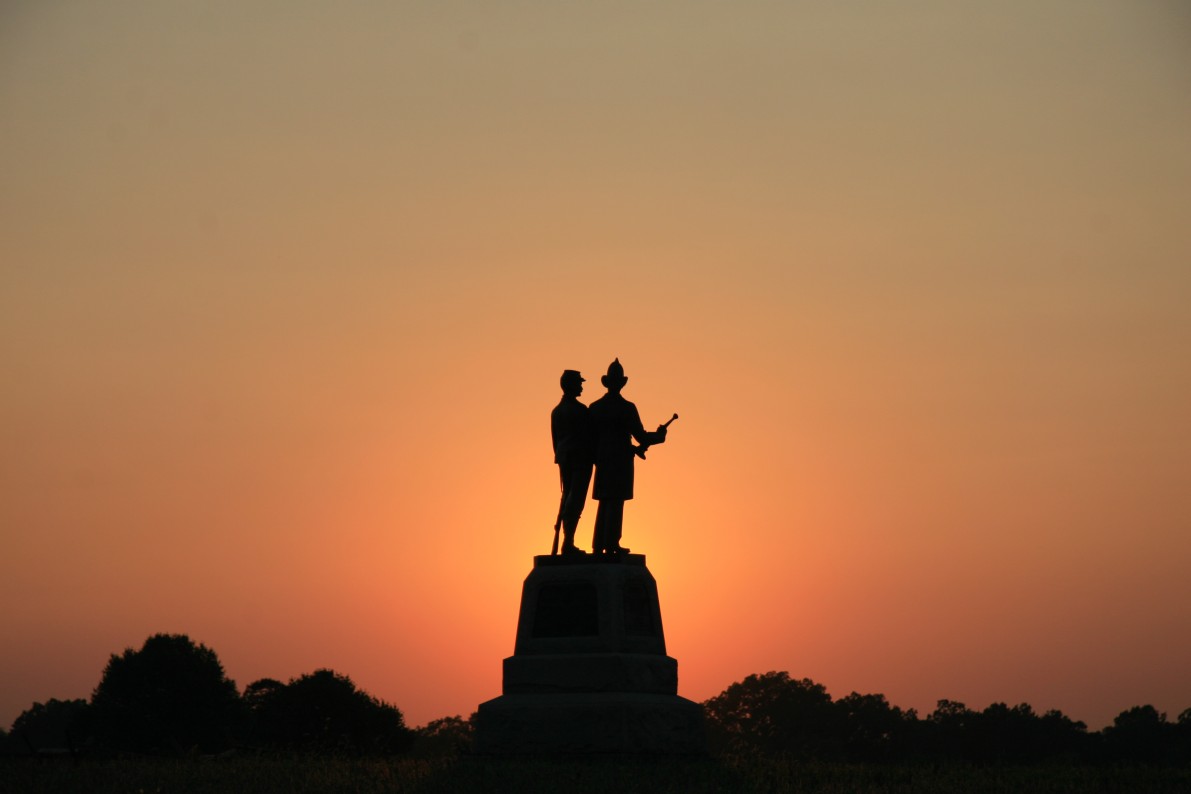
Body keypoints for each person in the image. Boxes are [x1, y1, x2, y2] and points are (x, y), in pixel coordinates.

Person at [587, 359, 666, 554]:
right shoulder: (626, 408)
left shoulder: (594, 407)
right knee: (615, 501)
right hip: (620, 461)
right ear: (622, 383)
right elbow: (640, 436)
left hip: (602, 460)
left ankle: (599, 544)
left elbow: (588, 438)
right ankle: (611, 543)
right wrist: (660, 436)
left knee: (605, 501)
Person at [551, 369, 593, 555]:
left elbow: (555, 440)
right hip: (580, 458)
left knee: (568, 496)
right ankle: (568, 542)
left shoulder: (557, 411)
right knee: (575, 499)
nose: (582, 387)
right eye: (579, 383)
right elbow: (589, 437)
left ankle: (568, 541)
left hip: (564, 457)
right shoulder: (580, 410)